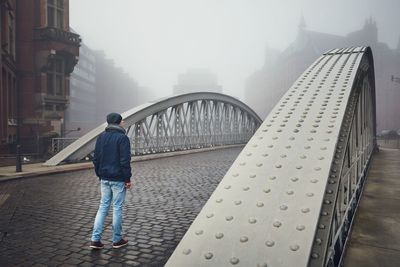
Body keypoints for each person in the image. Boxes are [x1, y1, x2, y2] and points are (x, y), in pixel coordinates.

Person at [90, 112, 132, 249]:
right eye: (122, 121)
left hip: (104, 178)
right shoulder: (122, 138)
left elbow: (95, 159)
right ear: (118, 123)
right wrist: (127, 179)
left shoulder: (101, 137)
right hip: (118, 179)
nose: (124, 123)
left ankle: (95, 240)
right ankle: (117, 239)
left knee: (102, 207)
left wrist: (99, 174)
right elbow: (125, 161)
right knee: (117, 208)